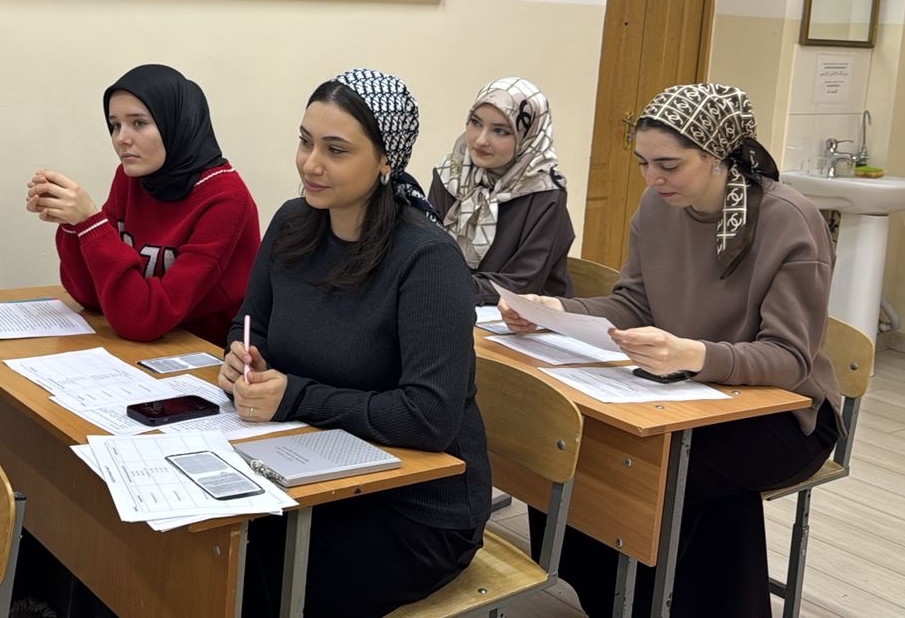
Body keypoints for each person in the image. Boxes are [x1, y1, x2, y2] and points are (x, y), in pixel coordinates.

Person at [502, 83, 842, 618]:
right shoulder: (658, 207)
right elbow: (634, 303)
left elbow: (790, 359)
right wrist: (555, 310)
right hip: (688, 393)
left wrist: (693, 355)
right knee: (578, 443)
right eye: (643, 163)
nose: (651, 178)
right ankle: (618, 599)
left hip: (787, 415)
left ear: (717, 156)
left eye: (668, 165)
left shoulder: (788, 220)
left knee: (666, 469)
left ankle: (665, 603)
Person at [218, 68, 490, 618]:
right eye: (305, 141)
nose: (310, 163)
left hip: (414, 507)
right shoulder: (293, 222)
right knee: (206, 543)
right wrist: (239, 357)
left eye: (335, 150)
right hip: (310, 468)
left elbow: (429, 418)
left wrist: (293, 396)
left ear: (386, 160)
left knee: (252, 572)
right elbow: (251, 324)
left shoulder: (427, 259)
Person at [26, 64, 259, 346]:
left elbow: (145, 318)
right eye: (115, 125)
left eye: (138, 123)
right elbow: (91, 296)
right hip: (148, 348)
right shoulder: (132, 178)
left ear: (176, 123)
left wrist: (90, 223)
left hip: (207, 354)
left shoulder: (225, 198)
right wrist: (73, 224)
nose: (121, 139)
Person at [429, 76, 574, 303]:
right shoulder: (451, 175)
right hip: (455, 302)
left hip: (527, 316)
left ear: (528, 137)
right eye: (476, 122)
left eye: (500, 131)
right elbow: (428, 250)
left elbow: (522, 284)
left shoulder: (546, 193)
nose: (481, 140)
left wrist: (444, 284)